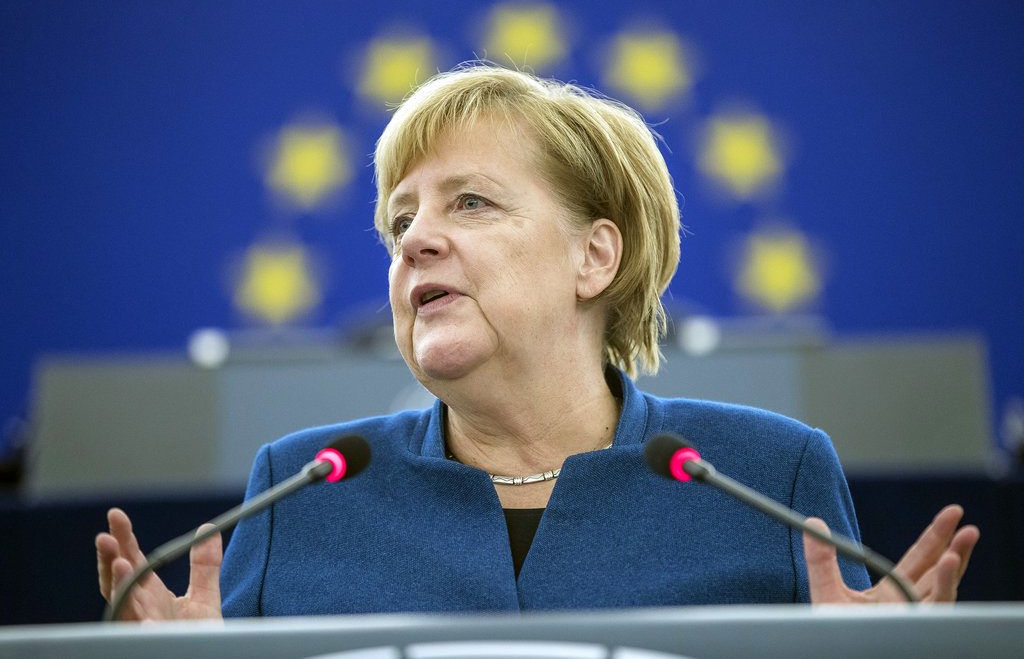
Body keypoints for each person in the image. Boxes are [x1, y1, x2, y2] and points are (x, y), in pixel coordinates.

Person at [96, 63, 979, 619]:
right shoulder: (300, 492)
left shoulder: (767, 477)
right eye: (400, 220)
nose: (413, 240)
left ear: (595, 256)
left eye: (469, 202)